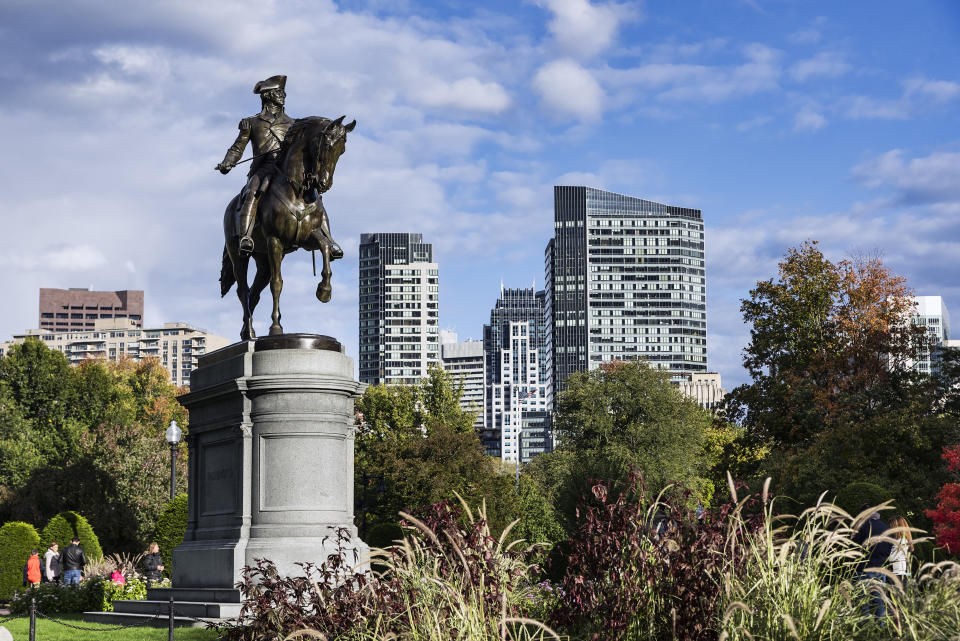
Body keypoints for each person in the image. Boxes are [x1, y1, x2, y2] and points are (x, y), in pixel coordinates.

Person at [217, 74, 295, 256]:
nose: (283, 95)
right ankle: (245, 236)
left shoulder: (293, 124)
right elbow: (238, 147)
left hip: (285, 169)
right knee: (252, 192)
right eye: (279, 92)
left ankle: (324, 236)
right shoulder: (251, 122)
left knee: (311, 192)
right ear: (267, 96)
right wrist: (228, 162)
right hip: (263, 169)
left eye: (283, 92)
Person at [852, 504, 894, 619]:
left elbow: (853, 546)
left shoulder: (862, 526)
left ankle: (865, 629)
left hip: (863, 568)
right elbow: (890, 548)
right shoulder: (886, 528)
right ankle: (881, 627)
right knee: (879, 600)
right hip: (880, 568)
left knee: (862, 601)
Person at [888, 515, 914, 586]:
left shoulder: (900, 541)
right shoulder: (904, 540)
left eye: (891, 526)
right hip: (902, 571)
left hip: (897, 573)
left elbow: (891, 558)